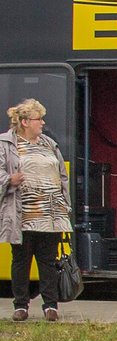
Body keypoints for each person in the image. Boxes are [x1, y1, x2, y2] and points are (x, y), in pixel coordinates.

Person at [1, 99, 72, 322]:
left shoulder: (49, 144)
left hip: (50, 213)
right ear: (24, 122)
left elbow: (62, 176)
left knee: (48, 261)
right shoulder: (6, 144)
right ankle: (21, 305)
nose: (42, 122)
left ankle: (50, 306)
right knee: (21, 260)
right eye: (38, 119)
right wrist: (9, 179)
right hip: (23, 214)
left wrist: (64, 204)